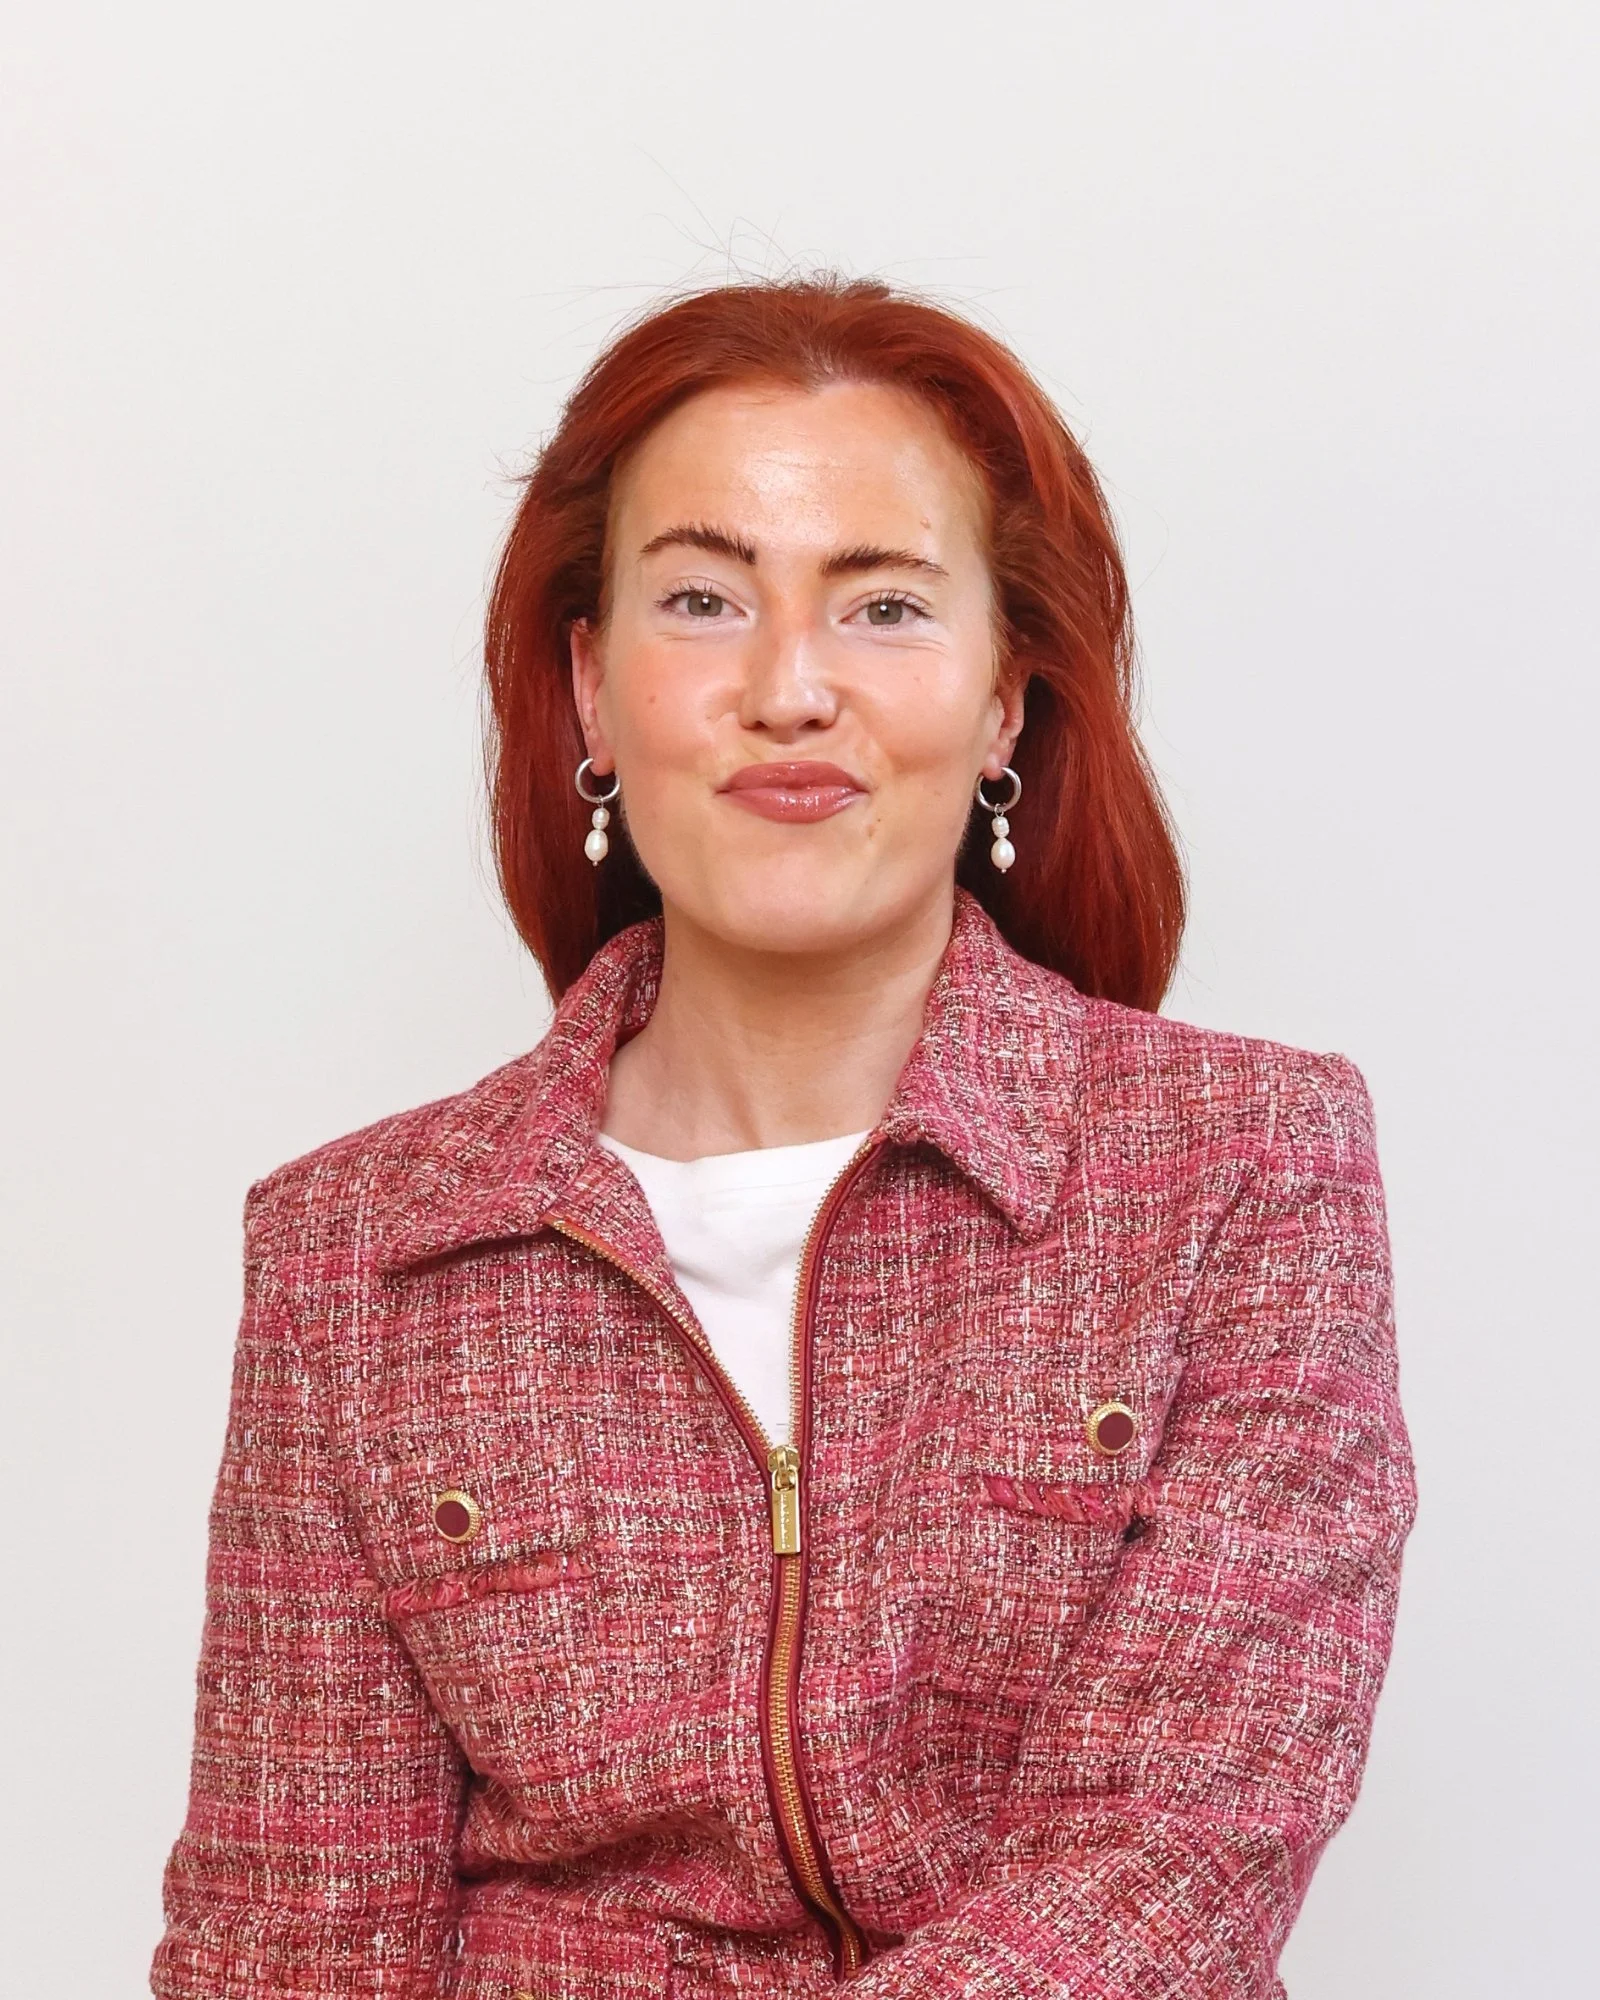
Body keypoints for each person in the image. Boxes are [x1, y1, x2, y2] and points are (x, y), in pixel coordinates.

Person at [151, 275, 1417, 1998]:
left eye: (884, 606)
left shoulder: (1246, 1168)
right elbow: (289, 1946)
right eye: (701, 598)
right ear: (593, 693)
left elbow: (1173, 1861)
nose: (788, 687)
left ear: (1004, 705)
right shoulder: (357, 1254)